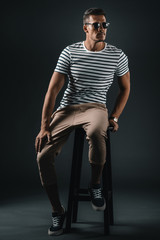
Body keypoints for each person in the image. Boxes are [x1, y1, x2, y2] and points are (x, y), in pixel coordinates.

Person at [35, 7, 130, 236]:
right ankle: (58, 211)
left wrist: (114, 116)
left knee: (99, 132)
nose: (101, 29)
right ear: (85, 27)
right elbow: (52, 91)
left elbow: (125, 88)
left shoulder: (117, 55)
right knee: (43, 155)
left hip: (96, 108)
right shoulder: (70, 52)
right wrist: (43, 127)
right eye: (96, 25)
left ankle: (95, 184)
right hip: (67, 108)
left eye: (104, 25)